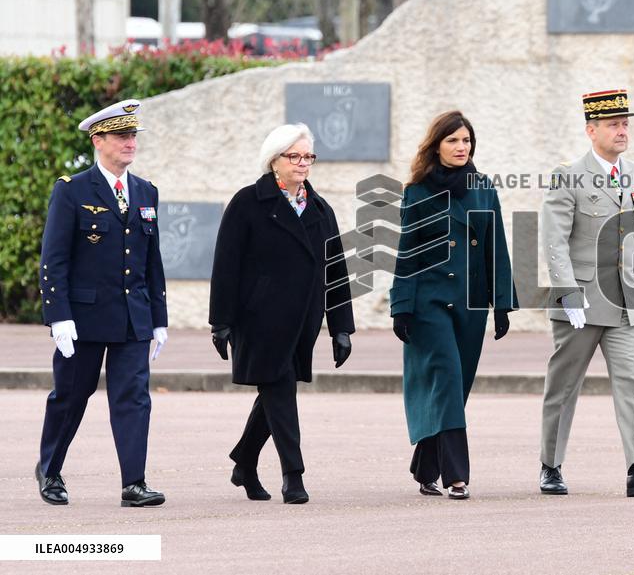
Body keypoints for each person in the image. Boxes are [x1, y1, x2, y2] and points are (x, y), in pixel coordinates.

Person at [208, 123, 355, 504]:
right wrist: (220, 322)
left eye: (308, 156)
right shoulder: (247, 203)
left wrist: (341, 328)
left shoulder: (321, 209)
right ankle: (294, 474)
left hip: (303, 320)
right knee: (280, 389)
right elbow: (226, 264)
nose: (303, 163)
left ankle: (244, 463)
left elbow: (336, 269)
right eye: (295, 156)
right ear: (274, 160)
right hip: (257, 318)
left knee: (275, 390)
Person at [36, 98, 169, 507]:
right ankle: (50, 469)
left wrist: (159, 318)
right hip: (84, 317)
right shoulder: (73, 190)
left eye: (133, 135)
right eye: (122, 135)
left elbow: (152, 260)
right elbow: (53, 258)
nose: (131, 142)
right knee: (71, 396)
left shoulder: (146, 191)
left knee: (133, 398)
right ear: (98, 139)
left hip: (133, 317)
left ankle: (134, 483)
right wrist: (59, 317)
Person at [538, 89, 634, 498]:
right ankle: (551, 465)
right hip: (582, 301)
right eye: (613, 124)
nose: (622, 131)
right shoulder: (567, 175)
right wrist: (566, 291)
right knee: (564, 386)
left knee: (633, 382)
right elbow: (554, 239)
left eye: (625, 123)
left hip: (626, 301)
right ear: (591, 130)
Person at [390, 110, 516, 500]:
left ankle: (425, 466)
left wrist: (501, 303)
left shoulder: (483, 187)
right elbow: (407, 254)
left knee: (454, 390)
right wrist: (401, 307)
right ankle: (456, 475)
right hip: (430, 303)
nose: (462, 147)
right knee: (445, 379)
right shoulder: (418, 190)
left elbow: (496, 246)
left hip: (471, 304)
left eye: (467, 141)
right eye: (453, 141)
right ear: (436, 146)